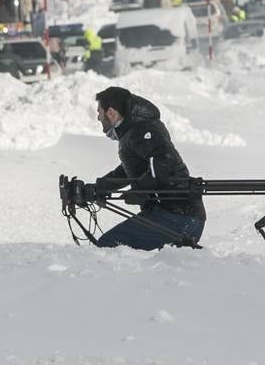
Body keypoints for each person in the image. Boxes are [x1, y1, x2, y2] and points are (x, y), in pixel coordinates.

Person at [88, 86, 205, 250]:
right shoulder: (135, 130)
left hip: (176, 217)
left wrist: (140, 190)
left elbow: (165, 159)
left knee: (107, 247)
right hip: (174, 215)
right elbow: (130, 169)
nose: (98, 117)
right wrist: (99, 187)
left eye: (100, 111)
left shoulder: (142, 129)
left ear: (111, 113)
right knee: (109, 247)